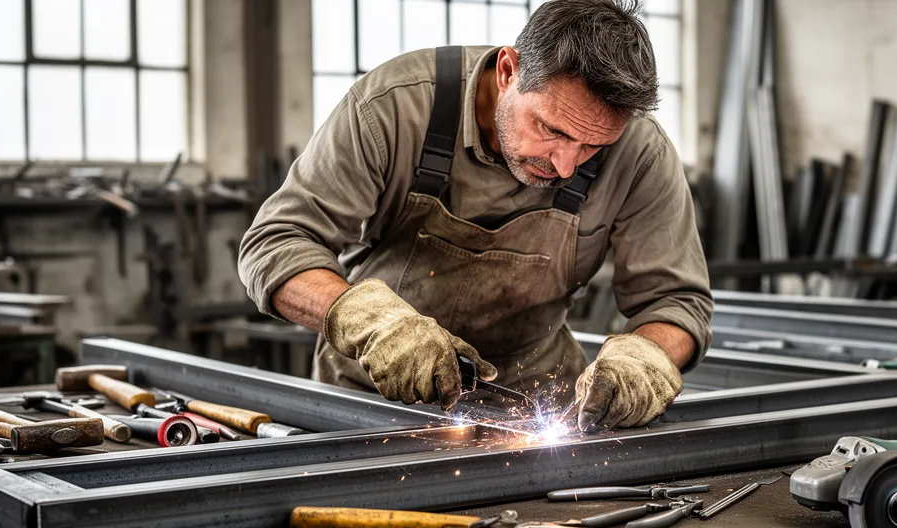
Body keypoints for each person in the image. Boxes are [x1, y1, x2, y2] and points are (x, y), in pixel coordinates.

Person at [237, 0, 713, 432]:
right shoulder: (397, 106)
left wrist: (646, 357)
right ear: (509, 70)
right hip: (372, 405)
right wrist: (376, 325)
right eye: (551, 129)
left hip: (540, 411)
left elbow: (675, 302)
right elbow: (276, 243)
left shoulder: (640, 151)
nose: (566, 164)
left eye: (592, 146)